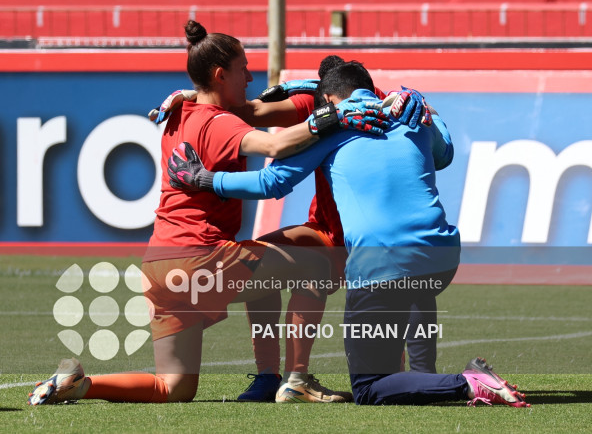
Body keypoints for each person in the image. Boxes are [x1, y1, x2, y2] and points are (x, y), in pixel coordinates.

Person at [27, 22, 386, 406]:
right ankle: (296, 381)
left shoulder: (178, 115)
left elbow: (248, 108)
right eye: (243, 68)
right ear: (220, 74)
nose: (250, 76)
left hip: (159, 266)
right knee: (311, 265)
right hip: (199, 257)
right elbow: (275, 146)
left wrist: (187, 93)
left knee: (174, 387)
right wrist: (330, 118)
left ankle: (81, 384)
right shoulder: (220, 122)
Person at [167, 61, 529, 407]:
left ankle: (466, 382)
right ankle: (423, 377)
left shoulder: (334, 125)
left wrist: (205, 180)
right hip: (443, 257)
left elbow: (270, 181)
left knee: (370, 387)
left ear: (328, 100)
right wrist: (426, 109)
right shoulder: (407, 111)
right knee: (414, 288)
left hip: (380, 263)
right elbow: (444, 153)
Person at [149, 56, 436, 403]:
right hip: (329, 230)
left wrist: (205, 180)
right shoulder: (320, 100)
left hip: (373, 237)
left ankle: (422, 377)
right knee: (263, 258)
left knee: (409, 294)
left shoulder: (388, 105)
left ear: (332, 94)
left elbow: (273, 176)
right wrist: (194, 94)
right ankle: (274, 378)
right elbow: (250, 112)